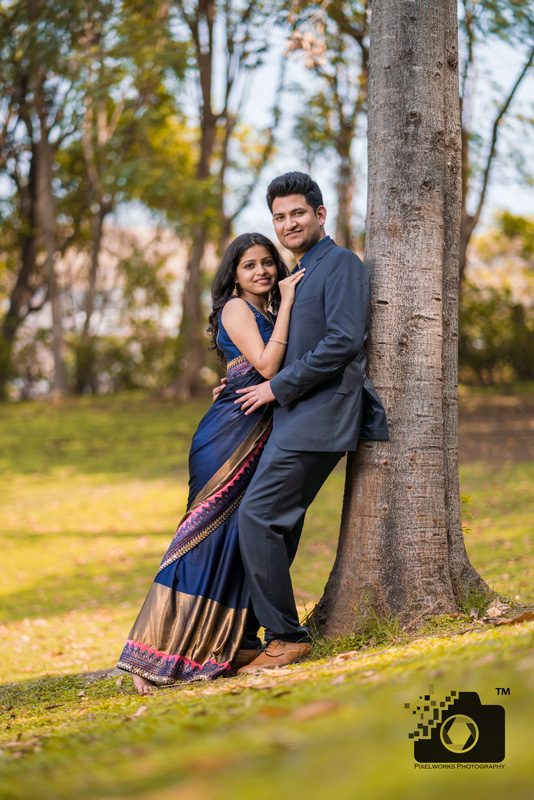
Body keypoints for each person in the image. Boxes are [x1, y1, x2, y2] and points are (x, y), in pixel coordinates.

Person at [116, 232, 305, 693]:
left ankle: (233, 641)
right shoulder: (238, 308)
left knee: (242, 542)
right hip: (227, 438)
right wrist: (289, 302)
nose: (261, 271)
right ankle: (152, 653)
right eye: (249, 266)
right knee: (202, 539)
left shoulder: (269, 311)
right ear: (234, 275)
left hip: (256, 432)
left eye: (267, 263)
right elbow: (265, 366)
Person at [229, 171, 389, 673]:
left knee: (256, 517)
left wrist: (277, 388)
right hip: (293, 417)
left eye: (297, 212)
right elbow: (282, 348)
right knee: (278, 525)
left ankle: (286, 636)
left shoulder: (341, 264)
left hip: (320, 417)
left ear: (320, 215)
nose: (288, 223)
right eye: (279, 216)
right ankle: (256, 637)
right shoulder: (297, 276)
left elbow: (343, 341)